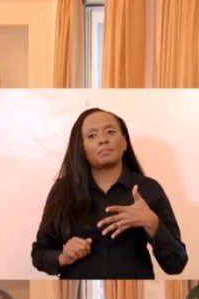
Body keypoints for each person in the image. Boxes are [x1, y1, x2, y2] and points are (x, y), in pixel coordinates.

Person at [31, 107, 188, 279]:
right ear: (80, 148)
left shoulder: (148, 188)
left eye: (110, 132)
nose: (103, 140)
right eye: (92, 135)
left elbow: (176, 264)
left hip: (134, 290)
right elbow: (39, 254)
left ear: (124, 142)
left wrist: (153, 223)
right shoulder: (63, 190)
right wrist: (62, 257)